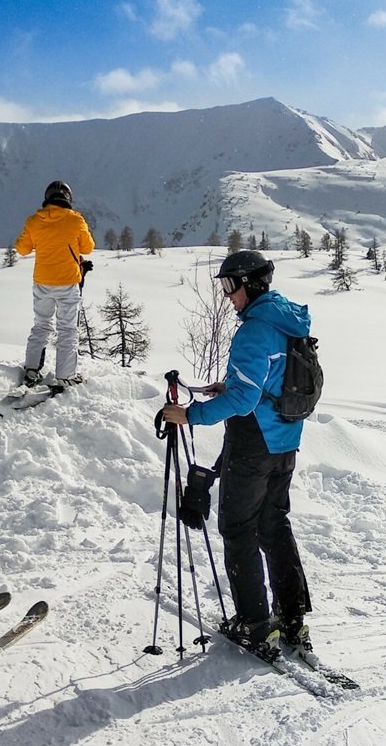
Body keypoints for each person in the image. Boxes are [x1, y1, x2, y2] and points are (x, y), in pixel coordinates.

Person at [161, 250, 313, 654]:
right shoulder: (286, 319)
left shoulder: (253, 330)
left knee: (239, 529)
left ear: (251, 284)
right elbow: (269, 380)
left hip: (253, 443)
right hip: (286, 440)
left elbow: (246, 400)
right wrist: (226, 387)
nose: (228, 296)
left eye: (231, 286)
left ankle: (254, 623)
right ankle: (292, 618)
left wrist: (190, 415)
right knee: (274, 525)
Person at [15, 180, 95, 392]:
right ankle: (65, 376)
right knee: (67, 329)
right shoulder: (75, 220)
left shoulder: (34, 221)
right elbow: (88, 247)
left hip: (42, 282)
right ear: (68, 198)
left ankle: (32, 370)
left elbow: (22, 249)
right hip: (68, 283)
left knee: (41, 325)